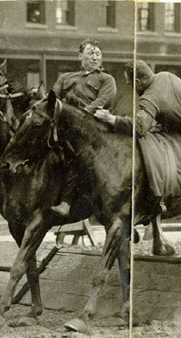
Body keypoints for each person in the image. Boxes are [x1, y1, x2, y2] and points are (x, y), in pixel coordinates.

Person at [50, 38, 117, 217]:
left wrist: (81, 113)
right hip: (63, 126)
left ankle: (66, 202)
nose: (95, 58)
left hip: (91, 128)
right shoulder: (66, 77)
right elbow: (52, 98)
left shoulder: (106, 79)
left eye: (98, 54)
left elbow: (103, 100)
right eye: (90, 53)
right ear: (80, 56)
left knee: (76, 158)